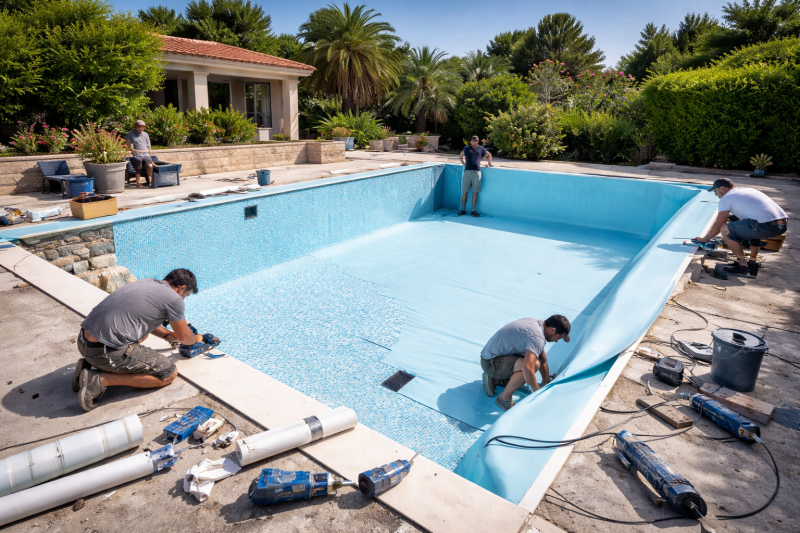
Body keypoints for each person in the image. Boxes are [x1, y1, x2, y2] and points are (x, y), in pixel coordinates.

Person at [72, 269, 206, 412]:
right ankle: (99, 378)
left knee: (142, 335)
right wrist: (196, 339)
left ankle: (88, 366)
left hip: (84, 343)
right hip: (104, 353)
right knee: (168, 373)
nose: (184, 299)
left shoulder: (147, 282)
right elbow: (184, 338)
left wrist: (166, 335)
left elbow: (140, 317)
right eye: (187, 295)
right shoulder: (174, 299)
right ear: (182, 288)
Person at [691, 178, 788, 278]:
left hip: (765, 226)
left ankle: (742, 266)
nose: (716, 195)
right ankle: (752, 262)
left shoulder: (726, 198)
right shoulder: (748, 190)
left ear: (722, 188)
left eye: (715, 191)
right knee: (750, 226)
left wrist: (704, 240)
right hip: (782, 226)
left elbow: (719, 225)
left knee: (725, 229)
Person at [480, 315, 571, 412]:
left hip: (494, 357)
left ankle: (496, 379)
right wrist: (536, 392)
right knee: (532, 366)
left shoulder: (537, 324)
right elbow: (528, 368)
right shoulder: (537, 337)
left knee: (533, 362)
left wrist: (546, 381)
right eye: (559, 337)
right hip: (491, 363)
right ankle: (504, 398)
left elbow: (542, 359)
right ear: (553, 330)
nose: (556, 341)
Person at [458, 135, 493, 217]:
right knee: (465, 192)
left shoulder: (481, 148)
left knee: (475, 192)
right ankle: (463, 210)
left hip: (477, 172)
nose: (475, 142)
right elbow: (460, 156)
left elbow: (489, 154)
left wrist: (489, 163)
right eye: (473, 140)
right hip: (467, 172)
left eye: (476, 140)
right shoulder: (466, 148)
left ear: (478, 141)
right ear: (471, 141)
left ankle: (473, 210)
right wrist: (464, 164)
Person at [125, 120, 153, 188]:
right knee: (138, 166)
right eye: (141, 127)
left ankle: (151, 182)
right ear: (137, 127)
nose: (142, 128)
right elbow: (128, 146)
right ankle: (138, 183)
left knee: (150, 166)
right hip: (137, 155)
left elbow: (149, 148)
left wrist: (142, 151)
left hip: (145, 154)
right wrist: (131, 151)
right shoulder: (130, 134)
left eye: (144, 127)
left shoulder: (146, 134)